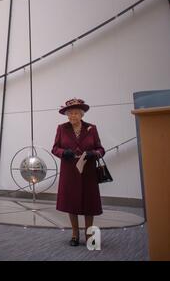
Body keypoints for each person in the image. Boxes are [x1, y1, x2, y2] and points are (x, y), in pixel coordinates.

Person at [52, 98, 105, 246]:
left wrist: (92, 154)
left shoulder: (91, 128)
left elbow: (101, 149)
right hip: (69, 171)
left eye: (76, 113)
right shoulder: (61, 128)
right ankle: (75, 234)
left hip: (88, 172)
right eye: (70, 113)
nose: (72, 116)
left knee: (90, 204)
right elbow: (55, 148)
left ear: (82, 115)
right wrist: (64, 153)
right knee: (71, 203)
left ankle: (89, 235)